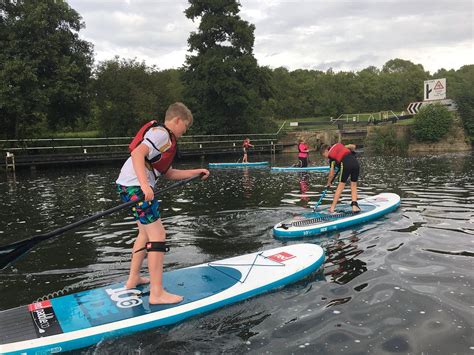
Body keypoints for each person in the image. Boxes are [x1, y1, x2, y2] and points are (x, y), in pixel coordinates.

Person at [116, 102, 209, 305]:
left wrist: (196, 172)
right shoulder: (162, 134)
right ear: (177, 120)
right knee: (158, 234)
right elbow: (137, 154)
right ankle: (157, 293)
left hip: (126, 186)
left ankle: (133, 279)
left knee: (144, 233)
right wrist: (144, 186)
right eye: (185, 126)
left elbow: (168, 173)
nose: (184, 131)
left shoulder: (163, 139)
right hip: (135, 188)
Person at [320, 142, 360, 213]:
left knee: (340, 186)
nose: (325, 157)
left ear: (326, 151)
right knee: (353, 185)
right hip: (356, 164)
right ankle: (354, 206)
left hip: (346, 165)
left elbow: (331, 174)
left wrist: (329, 183)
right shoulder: (341, 149)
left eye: (324, 155)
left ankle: (332, 208)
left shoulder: (331, 158)